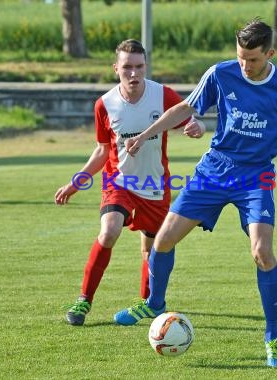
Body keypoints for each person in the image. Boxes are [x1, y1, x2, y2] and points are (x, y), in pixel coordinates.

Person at [113, 19, 277, 367]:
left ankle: (273, 337)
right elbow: (186, 108)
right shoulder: (220, 74)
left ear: (270, 54)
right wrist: (144, 135)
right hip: (214, 171)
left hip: (255, 178)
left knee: (262, 252)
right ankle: (155, 302)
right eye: (241, 57)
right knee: (163, 240)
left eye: (253, 59)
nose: (245, 65)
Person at [55, 39, 205, 326]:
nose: (134, 74)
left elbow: (190, 119)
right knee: (109, 232)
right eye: (127, 68)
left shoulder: (163, 95)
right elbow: (102, 150)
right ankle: (84, 300)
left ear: (146, 66)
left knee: (152, 248)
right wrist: (77, 182)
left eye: (139, 67)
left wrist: (197, 126)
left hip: (154, 185)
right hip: (119, 182)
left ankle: (147, 302)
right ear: (116, 69)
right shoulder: (105, 104)